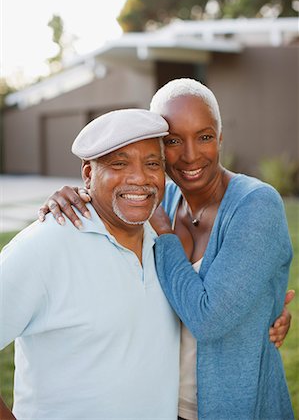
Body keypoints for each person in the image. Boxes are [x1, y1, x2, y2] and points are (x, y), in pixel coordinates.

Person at [40, 79, 295, 420]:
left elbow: (209, 319)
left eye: (204, 136)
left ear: (220, 136)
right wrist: (74, 195)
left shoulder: (255, 205)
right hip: (161, 406)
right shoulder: (163, 200)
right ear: (160, 147)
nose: (190, 155)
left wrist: (165, 234)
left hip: (235, 408)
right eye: (174, 141)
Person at [0, 109, 181, 420]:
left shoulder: (164, 244)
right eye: (119, 164)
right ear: (87, 174)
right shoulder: (44, 246)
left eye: (152, 164)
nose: (140, 178)